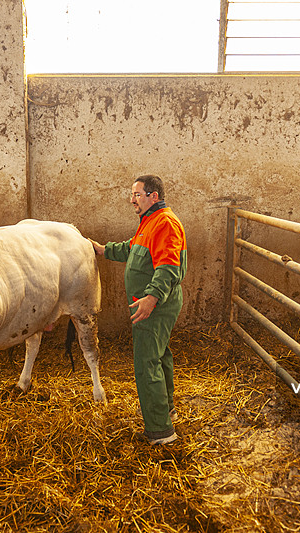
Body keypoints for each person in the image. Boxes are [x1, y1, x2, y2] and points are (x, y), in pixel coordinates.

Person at [91, 175, 187, 445]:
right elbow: (132, 249)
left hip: (155, 305)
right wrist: (103, 250)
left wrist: (151, 298)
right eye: (132, 194)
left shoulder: (165, 223)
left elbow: (168, 266)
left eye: (136, 194)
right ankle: (166, 409)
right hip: (153, 302)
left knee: (147, 362)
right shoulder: (150, 222)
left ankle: (160, 432)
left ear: (153, 196)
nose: (131, 199)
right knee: (159, 355)